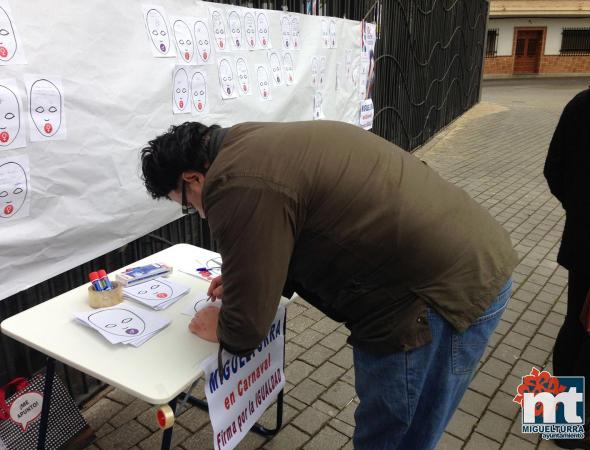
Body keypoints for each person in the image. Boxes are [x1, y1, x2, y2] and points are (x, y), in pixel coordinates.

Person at [141, 120, 517, 450]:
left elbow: (245, 331)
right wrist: (249, 275)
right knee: (409, 430)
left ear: (193, 177)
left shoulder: (233, 182)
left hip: (434, 299)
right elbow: (290, 222)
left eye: (188, 204)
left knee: (393, 436)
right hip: (468, 262)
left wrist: (222, 326)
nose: (199, 212)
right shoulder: (247, 143)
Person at [544, 78, 590, 450]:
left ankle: (555, 421)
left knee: (574, 329)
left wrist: (580, 211)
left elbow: (554, 171)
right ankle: (569, 430)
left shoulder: (581, 104)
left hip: (583, 240)